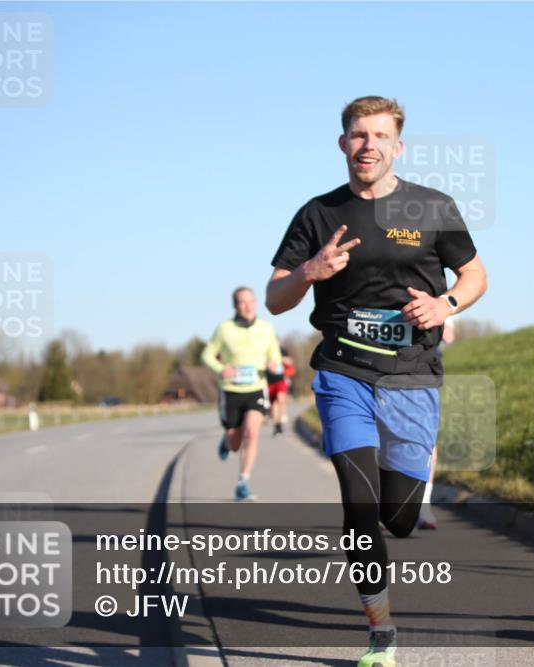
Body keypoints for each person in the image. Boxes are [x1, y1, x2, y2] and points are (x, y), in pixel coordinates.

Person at [266, 96, 487, 667]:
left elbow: (475, 273)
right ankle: (380, 631)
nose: (368, 145)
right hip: (344, 371)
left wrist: (446, 305)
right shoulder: (317, 214)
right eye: (358, 135)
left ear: (397, 146)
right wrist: (310, 272)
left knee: (400, 518)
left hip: (412, 375)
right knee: (359, 505)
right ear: (343, 144)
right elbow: (275, 295)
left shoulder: (431, 207)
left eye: (379, 136)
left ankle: (402, 502)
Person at [201, 287, 282, 501]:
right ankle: (226, 442)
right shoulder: (224, 329)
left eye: (251, 301)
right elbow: (207, 355)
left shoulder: (266, 328)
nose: (247, 306)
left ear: (256, 303)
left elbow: (276, 360)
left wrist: (274, 366)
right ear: (235, 306)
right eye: (242, 302)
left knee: (252, 433)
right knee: (235, 442)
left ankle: (242, 482)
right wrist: (221, 369)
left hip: (256, 388)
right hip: (231, 391)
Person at [416, 313, 455, 530]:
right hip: (379, 363)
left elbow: (449, 335)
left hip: (423, 363)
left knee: (427, 435)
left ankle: (423, 504)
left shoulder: (438, 284)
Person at [266, 346, 296, 435]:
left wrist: (282, 360)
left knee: (281, 400)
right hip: (270, 382)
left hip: (281, 380)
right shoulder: (265, 349)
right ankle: (277, 424)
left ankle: (282, 417)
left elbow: (290, 361)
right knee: (274, 404)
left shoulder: (282, 350)